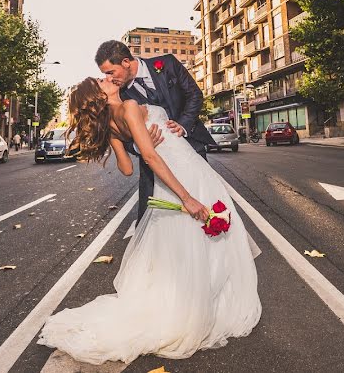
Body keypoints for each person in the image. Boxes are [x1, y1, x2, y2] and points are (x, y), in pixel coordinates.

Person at [37, 77, 261, 364]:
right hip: (181, 174)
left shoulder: (111, 128)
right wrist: (186, 197)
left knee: (180, 242)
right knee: (198, 236)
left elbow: (128, 168)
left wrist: (139, 141)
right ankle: (206, 305)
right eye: (102, 80)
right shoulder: (129, 106)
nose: (108, 78)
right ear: (98, 94)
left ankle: (201, 298)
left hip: (167, 178)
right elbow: (151, 158)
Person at [95, 40, 216, 223]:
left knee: (206, 209)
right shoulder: (120, 97)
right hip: (154, 167)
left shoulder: (167, 63)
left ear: (126, 62)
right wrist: (138, 145)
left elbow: (194, 94)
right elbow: (122, 133)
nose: (110, 78)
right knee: (152, 221)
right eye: (105, 75)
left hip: (189, 151)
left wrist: (183, 124)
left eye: (111, 72)